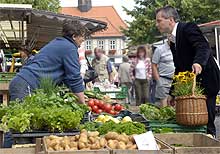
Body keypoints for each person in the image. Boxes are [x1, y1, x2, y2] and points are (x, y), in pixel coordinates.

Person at [155, 6, 220, 136]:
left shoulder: (188, 27)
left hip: (207, 77)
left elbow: (203, 46)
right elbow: (179, 68)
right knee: (196, 115)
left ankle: (210, 139)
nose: (157, 24)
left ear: (171, 20)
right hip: (193, 81)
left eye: (159, 21)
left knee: (207, 112)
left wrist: (198, 62)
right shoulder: (172, 41)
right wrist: (172, 93)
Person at [9, 20, 87, 104]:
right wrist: (82, 103)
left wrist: (78, 95)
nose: (81, 42)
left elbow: (67, 78)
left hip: (23, 82)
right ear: (74, 36)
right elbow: (74, 77)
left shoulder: (59, 43)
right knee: (23, 115)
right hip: (26, 85)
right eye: (82, 39)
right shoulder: (69, 48)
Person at [152, 41, 175, 107]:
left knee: (176, 105)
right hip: (164, 79)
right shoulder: (160, 49)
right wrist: (158, 81)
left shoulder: (179, 47)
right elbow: (154, 65)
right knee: (165, 107)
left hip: (176, 80)